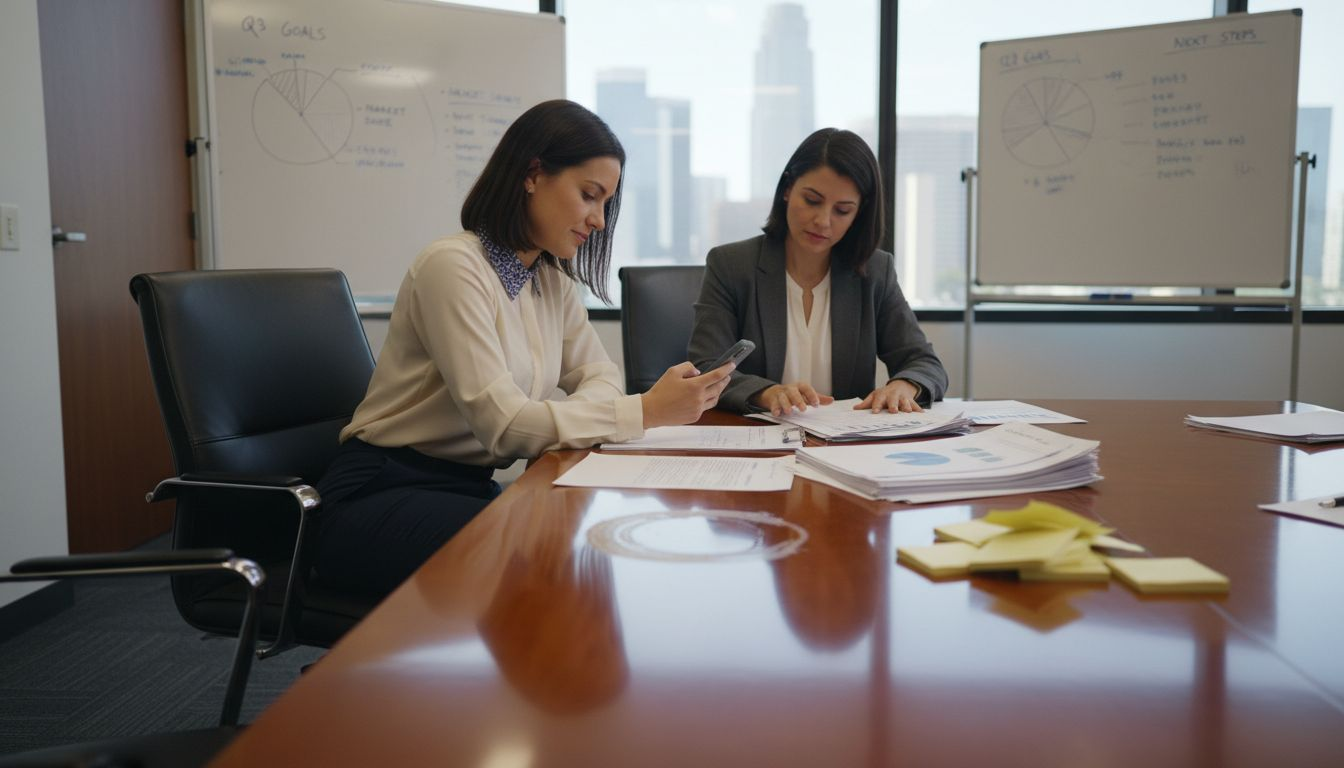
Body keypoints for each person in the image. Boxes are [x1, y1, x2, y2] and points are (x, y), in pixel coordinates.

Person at [314, 100, 731, 598]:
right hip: (380, 494)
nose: (598, 220)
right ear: (533, 173)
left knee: (583, 529)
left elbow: (599, 374)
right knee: (558, 546)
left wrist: (558, 429)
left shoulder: (549, 278)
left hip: (463, 487)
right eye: (588, 195)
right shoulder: (453, 268)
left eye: (606, 204)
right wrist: (644, 411)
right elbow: (505, 427)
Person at [688, 128, 947, 416]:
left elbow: (924, 362)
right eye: (812, 200)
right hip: (759, 438)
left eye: (843, 210)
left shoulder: (875, 272)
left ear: (859, 213)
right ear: (787, 190)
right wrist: (766, 392)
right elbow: (708, 366)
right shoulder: (731, 265)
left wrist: (905, 384)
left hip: (843, 447)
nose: (823, 221)